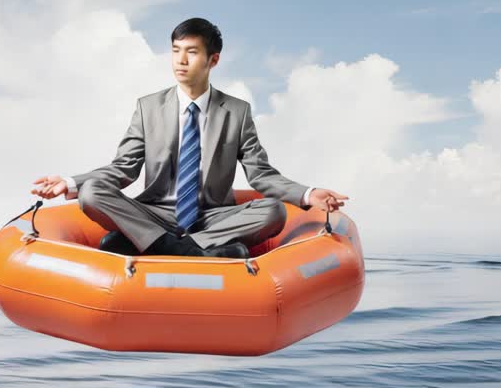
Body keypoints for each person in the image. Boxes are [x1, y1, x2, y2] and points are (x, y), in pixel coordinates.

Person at [31, 17, 348, 259]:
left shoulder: (236, 112)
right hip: (155, 213)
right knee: (92, 193)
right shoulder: (148, 107)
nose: (180, 61)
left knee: (273, 211)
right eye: (175, 51)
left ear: (213, 60)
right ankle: (193, 252)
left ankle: (153, 247)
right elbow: (123, 169)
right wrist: (70, 183)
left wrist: (308, 194)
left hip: (211, 217)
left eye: (192, 53)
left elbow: (261, 175)